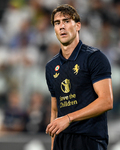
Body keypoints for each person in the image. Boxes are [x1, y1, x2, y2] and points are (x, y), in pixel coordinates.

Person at [45, 4, 113, 150]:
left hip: (89, 140)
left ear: (78, 26)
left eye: (66, 21)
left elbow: (106, 101)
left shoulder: (94, 58)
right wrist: (53, 146)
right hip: (62, 142)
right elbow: (55, 111)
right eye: (57, 23)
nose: (61, 26)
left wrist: (69, 118)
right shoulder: (51, 67)